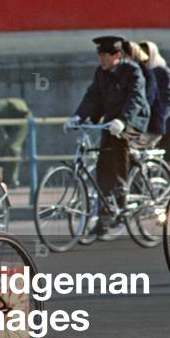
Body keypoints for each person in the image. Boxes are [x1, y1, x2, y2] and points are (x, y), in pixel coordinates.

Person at [66, 35, 150, 234]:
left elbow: (135, 99)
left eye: (105, 56)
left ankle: (121, 188)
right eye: (100, 55)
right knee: (103, 162)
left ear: (118, 55)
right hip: (111, 121)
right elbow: (93, 97)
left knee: (118, 141)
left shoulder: (132, 71)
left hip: (134, 120)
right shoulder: (100, 73)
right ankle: (104, 219)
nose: (101, 60)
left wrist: (123, 120)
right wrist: (78, 117)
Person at [139, 41, 170, 176]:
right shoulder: (141, 74)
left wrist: (157, 119)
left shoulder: (164, 72)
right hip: (154, 126)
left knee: (169, 164)